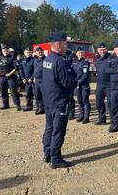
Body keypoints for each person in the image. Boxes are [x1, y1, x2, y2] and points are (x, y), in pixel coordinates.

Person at [42, 33, 76, 169]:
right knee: (58, 130)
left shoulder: (48, 59)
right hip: (59, 101)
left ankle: (48, 153)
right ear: (58, 45)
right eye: (65, 43)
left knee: (49, 128)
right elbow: (68, 83)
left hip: (49, 101)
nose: (66, 46)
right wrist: (74, 78)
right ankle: (55, 159)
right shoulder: (59, 61)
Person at [0, 44, 22, 111]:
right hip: (2, 77)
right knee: (3, 91)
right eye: (4, 50)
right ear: (2, 51)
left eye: (6, 50)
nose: (5, 51)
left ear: (8, 51)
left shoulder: (12, 58)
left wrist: (10, 73)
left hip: (11, 77)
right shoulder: (0, 58)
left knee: (13, 91)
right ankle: (6, 105)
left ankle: (17, 105)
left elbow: (16, 68)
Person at [72, 47, 91, 124]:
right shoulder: (74, 61)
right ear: (76, 53)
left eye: (82, 52)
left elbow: (85, 75)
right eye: (79, 52)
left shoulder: (86, 62)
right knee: (79, 101)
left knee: (85, 100)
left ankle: (86, 117)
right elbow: (72, 73)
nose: (80, 54)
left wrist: (78, 82)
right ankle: (81, 115)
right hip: (76, 85)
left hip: (84, 85)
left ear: (83, 53)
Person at [94, 42, 111, 125]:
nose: (102, 51)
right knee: (99, 102)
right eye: (100, 50)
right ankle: (102, 119)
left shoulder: (111, 57)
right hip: (99, 84)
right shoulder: (96, 58)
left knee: (110, 103)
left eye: (104, 49)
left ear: (106, 49)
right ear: (98, 50)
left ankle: (113, 120)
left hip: (109, 84)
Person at [19, 47, 35, 111]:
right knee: (28, 94)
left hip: (33, 80)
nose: (28, 53)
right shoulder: (22, 60)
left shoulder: (34, 60)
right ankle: (29, 106)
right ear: (24, 53)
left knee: (36, 94)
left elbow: (35, 70)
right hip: (26, 81)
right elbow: (21, 70)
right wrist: (23, 78)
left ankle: (40, 107)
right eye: (27, 52)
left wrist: (32, 78)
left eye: (29, 52)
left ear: (31, 53)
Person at [65, 49, 77, 120]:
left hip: (70, 80)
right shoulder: (61, 54)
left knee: (70, 98)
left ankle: (71, 113)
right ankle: (67, 112)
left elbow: (74, 68)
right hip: (63, 80)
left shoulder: (71, 54)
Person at [33, 46, 45, 115]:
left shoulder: (46, 60)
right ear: (36, 53)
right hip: (37, 81)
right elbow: (35, 70)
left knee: (44, 95)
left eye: (41, 52)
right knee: (37, 95)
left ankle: (43, 109)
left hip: (43, 81)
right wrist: (34, 77)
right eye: (38, 52)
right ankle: (39, 108)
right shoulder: (35, 60)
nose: (40, 53)